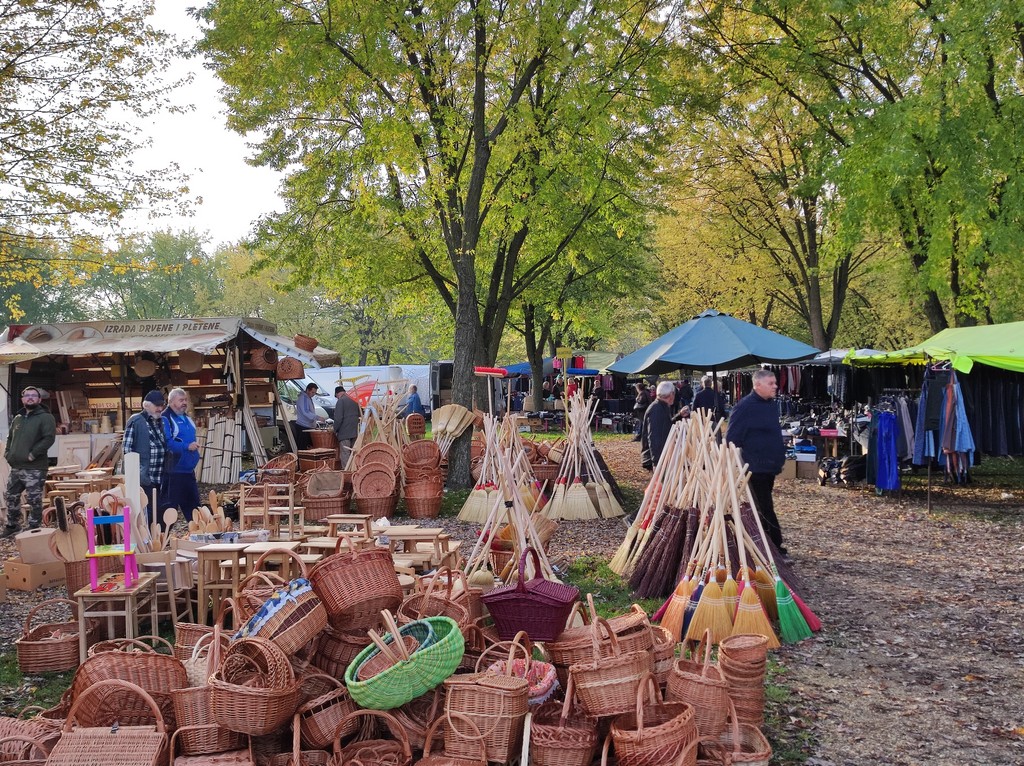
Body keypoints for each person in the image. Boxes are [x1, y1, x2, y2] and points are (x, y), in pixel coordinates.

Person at [726, 369, 788, 556]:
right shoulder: (745, 407)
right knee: (764, 507)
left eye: (775, 383)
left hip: (770, 466)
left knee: (764, 505)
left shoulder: (770, 404)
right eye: (771, 383)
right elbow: (732, 438)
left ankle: (769, 544)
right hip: (755, 467)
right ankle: (774, 547)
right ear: (757, 385)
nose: (775, 386)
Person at [2, 386, 57, 537]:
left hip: (35, 468)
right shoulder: (18, 418)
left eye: (33, 395)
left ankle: (34, 528)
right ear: (22, 399)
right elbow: (10, 438)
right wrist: (8, 453)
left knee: (34, 498)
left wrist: (33, 454)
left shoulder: (45, 417)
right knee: (10, 496)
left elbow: (49, 438)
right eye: (27, 395)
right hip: (16, 466)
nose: (30, 398)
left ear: (39, 400)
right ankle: (12, 525)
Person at [123, 389, 168, 525]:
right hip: (144, 477)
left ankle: (157, 538)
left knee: (160, 510)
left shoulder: (159, 421)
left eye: (162, 405)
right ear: (146, 405)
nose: (160, 408)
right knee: (148, 511)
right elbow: (127, 449)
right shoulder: (136, 421)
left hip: (160, 476)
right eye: (157, 405)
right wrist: (135, 474)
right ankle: (147, 540)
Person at [162, 387, 201, 522]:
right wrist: (186, 446)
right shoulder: (165, 418)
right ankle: (163, 539)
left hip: (188, 471)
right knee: (169, 511)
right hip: (172, 473)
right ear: (171, 401)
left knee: (195, 509)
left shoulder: (187, 418)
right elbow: (167, 444)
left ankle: (197, 536)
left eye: (185, 400)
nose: (184, 403)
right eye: (181, 400)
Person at [640, 381, 675, 471]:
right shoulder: (656, 409)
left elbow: (665, 426)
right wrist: (656, 462)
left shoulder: (662, 407)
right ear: (671, 394)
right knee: (661, 483)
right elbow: (654, 436)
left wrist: (679, 416)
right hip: (658, 458)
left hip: (661, 456)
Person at [333, 384, 362, 469]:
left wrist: (335, 429)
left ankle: (346, 472)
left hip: (344, 432)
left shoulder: (341, 401)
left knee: (345, 453)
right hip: (355, 431)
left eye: (336, 397)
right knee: (354, 452)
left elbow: (338, 418)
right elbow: (360, 414)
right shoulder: (355, 399)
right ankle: (355, 469)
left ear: (337, 394)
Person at [293, 382, 322, 451]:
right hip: (303, 426)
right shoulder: (304, 398)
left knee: (306, 448)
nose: (313, 394)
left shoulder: (307, 398)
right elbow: (305, 412)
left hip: (307, 425)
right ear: (308, 390)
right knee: (304, 448)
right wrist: (317, 417)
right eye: (312, 392)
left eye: (314, 393)